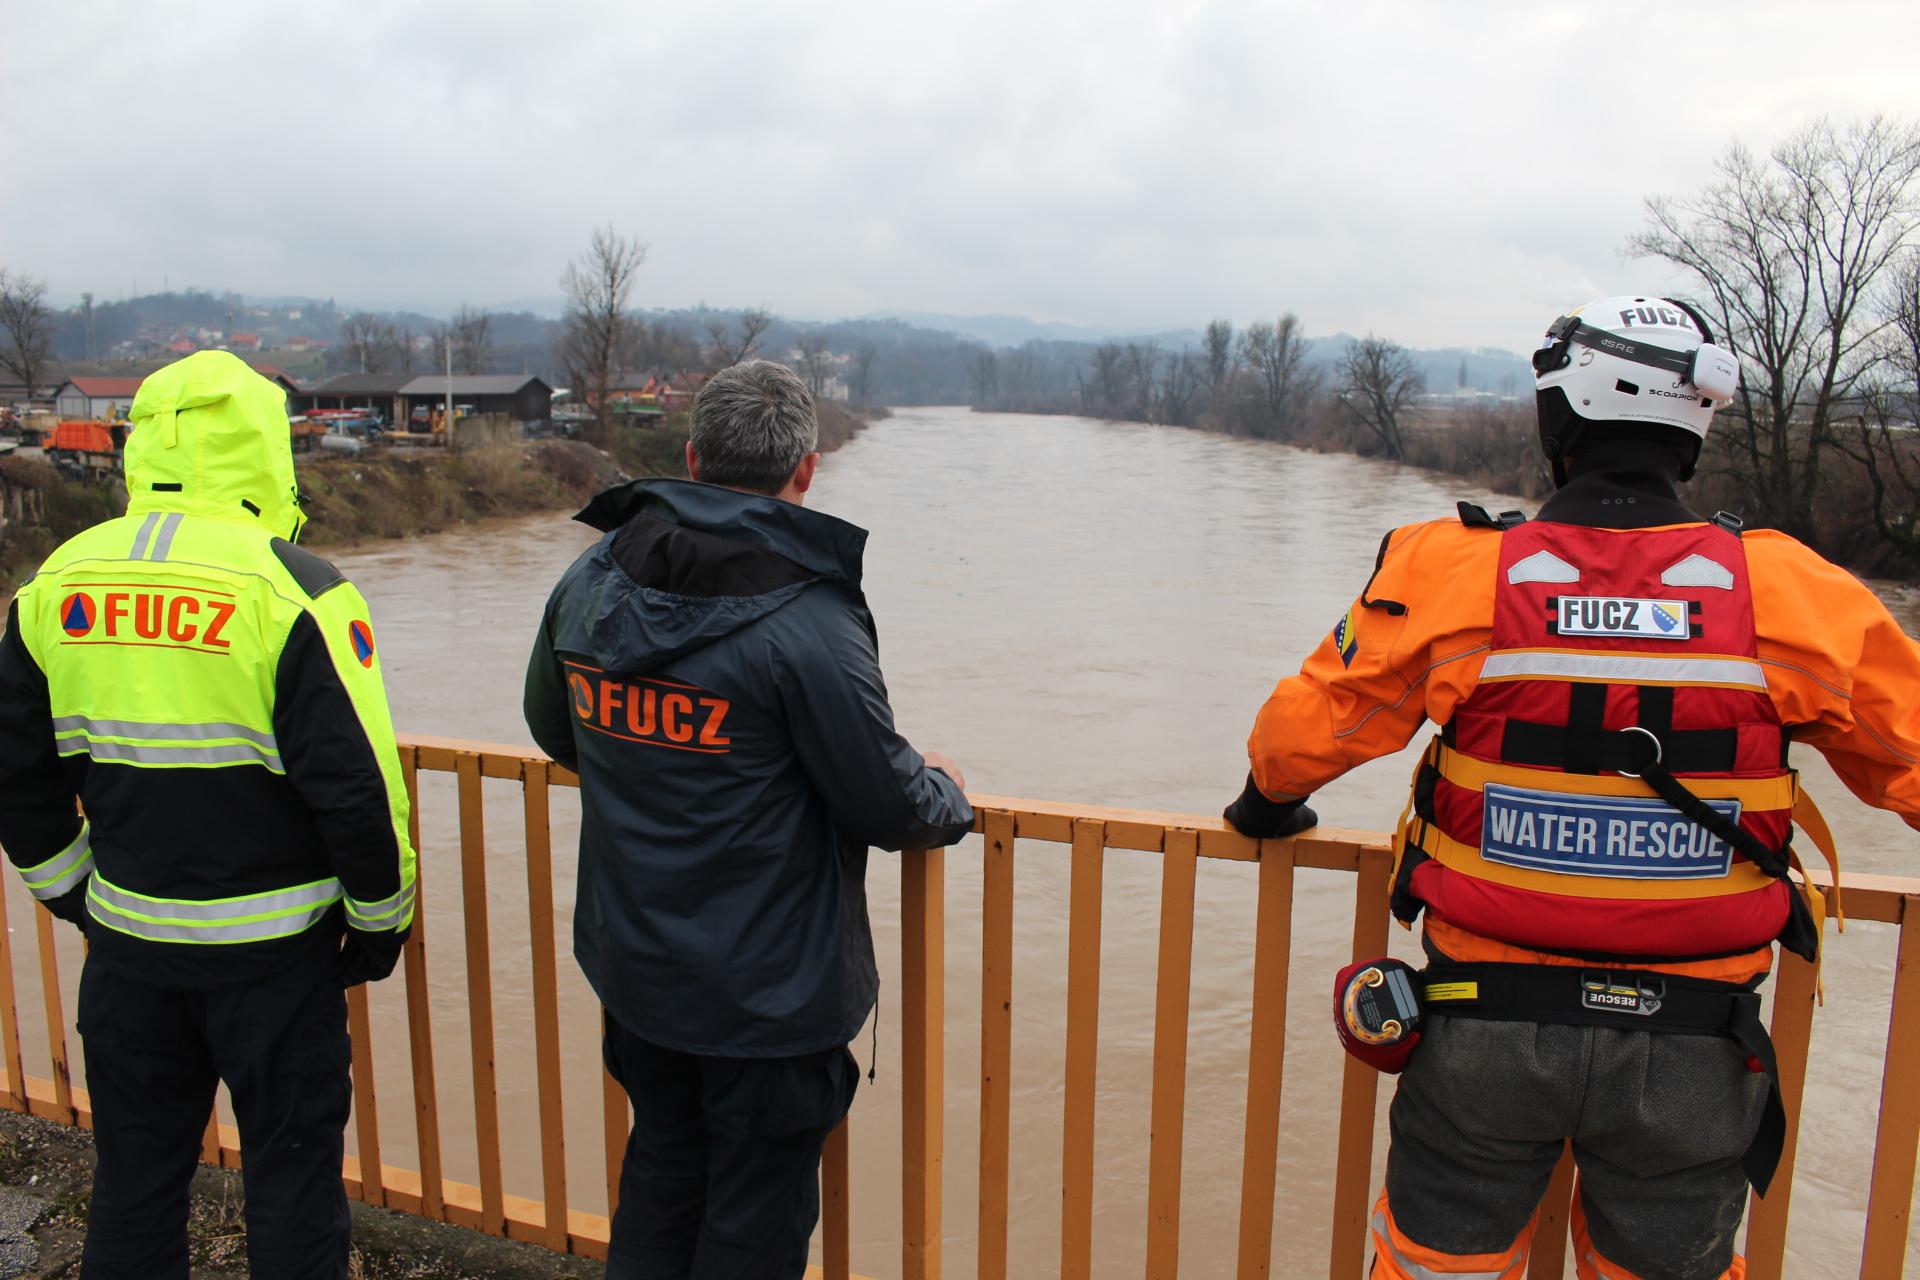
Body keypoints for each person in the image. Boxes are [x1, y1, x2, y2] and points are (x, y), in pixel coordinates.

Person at [1224, 296, 1920, 1280]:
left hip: (1481, 1031)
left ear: (1559, 421)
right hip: (1693, 1048)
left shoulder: (1455, 569)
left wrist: (1264, 806)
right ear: (1694, 427)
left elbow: (1296, 741)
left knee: (1435, 1267)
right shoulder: (1794, 594)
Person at [523, 359, 973, 1279]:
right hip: (769, 998)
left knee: (661, 1174)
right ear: (806, 471)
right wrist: (948, 794)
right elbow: (886, 798)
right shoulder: (808, 618)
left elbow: (550, 725)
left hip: (638, 969)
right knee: (753, 1224)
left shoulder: (593, 579)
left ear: (690, 458)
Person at [0, 351, 417, 1280]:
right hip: (275, 967)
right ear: (268, 454)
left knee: (137, 1181)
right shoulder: (296, 588)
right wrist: (378, 926)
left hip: (129, 959)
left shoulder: (59, 580)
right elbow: (358, 790)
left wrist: (77, 897)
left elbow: (17, 778)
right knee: (293, 1183)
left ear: (139, 446)